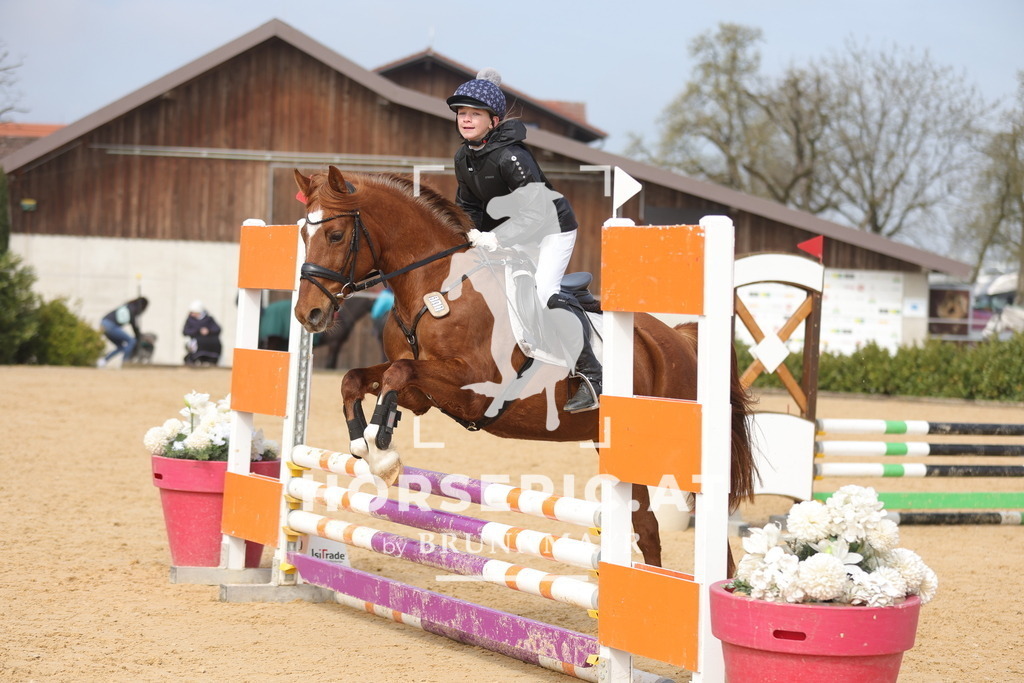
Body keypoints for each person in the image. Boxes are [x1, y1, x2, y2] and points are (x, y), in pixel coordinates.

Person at [447, 69, 601, 412]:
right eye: (461, 113)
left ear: (494, 120)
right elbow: (469, 206)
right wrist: (465, 236)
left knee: (544, 291)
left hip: (551, 230)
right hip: (509, 234)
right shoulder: (464, 158)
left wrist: (494, 238)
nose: (466, 119)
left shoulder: (512, 157)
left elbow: (536, 214)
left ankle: (593, 376)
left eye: (474, 114)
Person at [98, 296, 148, 367]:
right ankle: (125, 363)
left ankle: (102, 361)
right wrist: (138, 336)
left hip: (103, 323)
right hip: (110, 325)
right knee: (131, 341)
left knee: (121, 346)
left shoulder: (127, 306)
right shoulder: (132, 309)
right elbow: (134, 326)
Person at [182, 300, 222, 366]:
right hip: (195, 340)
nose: (192, 314)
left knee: (215, 343)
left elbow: (217, 329)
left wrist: (208, 330)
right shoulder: (190, 320)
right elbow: (185, 331)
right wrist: (198, 330)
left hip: (209, 341)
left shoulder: (209, 319)